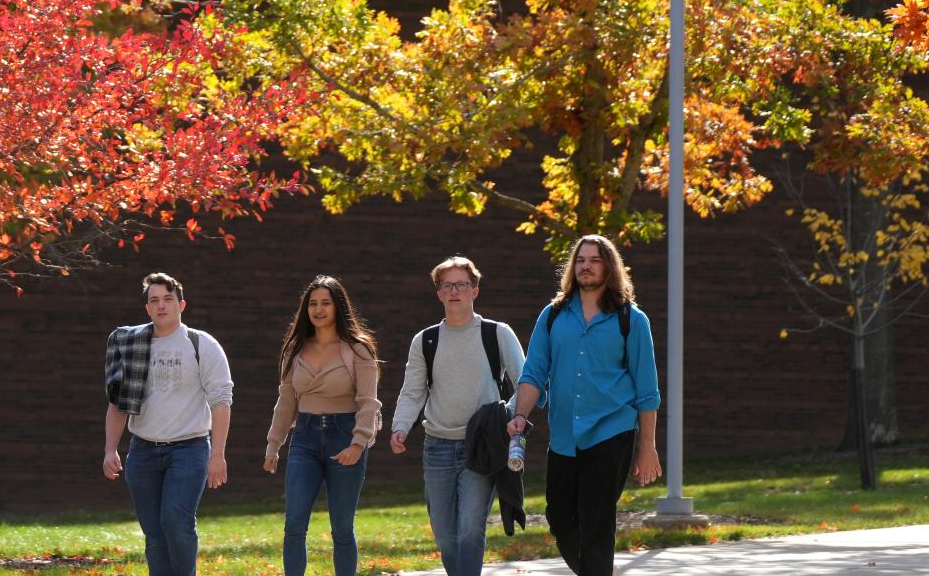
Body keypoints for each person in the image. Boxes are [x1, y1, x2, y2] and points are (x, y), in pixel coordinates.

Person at [506, 235, 662, 576]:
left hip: (613, 431)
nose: (586, 266)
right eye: (580, 260)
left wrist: (647, 447)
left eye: (594, 260)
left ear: (609, 266)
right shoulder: (553, 316)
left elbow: (647, 391)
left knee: (596, 521)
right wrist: (520, 415)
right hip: (564, 435)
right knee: (560, 519)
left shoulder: (631, 320)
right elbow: (533, 373)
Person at [389, 256, 525, 576]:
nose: (454, 291)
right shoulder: (425, 340)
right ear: (438, 293)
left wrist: (508, 414)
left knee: (469, 531)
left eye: (461, 284)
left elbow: (527, 383)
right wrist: (400, 427)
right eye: (447, 285)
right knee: (445, 537)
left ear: (474, 291)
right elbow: (413, 391)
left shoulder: (497, 333)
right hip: (437, 446)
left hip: (481, 446)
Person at [102, 273, 233, 576]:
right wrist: (110, 449)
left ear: (181, 304)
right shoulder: (132, 345)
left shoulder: (201, 344)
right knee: (154, 533)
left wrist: (218, 454)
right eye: (154, 301)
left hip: (189, 449)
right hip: (143, 451)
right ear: (147, 308)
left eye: (168, 299)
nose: (161, 306)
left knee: (177, 520)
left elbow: (221, 401)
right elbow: (118, 401)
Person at [263, 276, 382, 576]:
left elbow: (368, 402)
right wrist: (273, 445)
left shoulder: (358, 349)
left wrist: (358, 443)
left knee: (342, 527)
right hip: (304, 436)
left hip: (345, 435)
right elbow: (286, 401)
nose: (318, 309)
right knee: (294, 524)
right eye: (312, 304)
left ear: (338, 307)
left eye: (325, 303)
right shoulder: (294, 351)